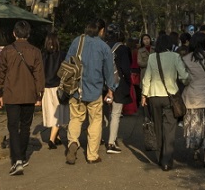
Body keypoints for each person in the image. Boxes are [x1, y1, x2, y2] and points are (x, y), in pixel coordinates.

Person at [0, 20, 44, 175]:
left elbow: (0, 73)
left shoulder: (7, 51)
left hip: (11, 94)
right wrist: (39, 94)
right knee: (26, 126)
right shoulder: (35, 51)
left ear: (14, 34)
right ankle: (22, 156)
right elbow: (39, 75)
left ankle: (17, 160)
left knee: (13, 127)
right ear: (28, 34)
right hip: (29, 94)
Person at [63, 20, 117, 165]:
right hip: (95, 91)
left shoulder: (77, 41)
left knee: (75, 118)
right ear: (101, 31)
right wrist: (111, 89)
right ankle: (92, 155)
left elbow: (67, 62)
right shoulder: (104, 47)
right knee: (95, 121)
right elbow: (109, 71)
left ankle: (73, 143)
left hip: (76, 89)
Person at [140, 32, 190, 171]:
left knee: (157, 126)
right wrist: (187, 81)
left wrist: (144, 95)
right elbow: (184, 76)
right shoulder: (175, 56)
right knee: (169, 128)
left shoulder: (152, 57)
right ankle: (167, 160)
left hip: (154, 96)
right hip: (170, 97)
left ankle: (159, 156)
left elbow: (147, 78)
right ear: (169, 45)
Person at [181, 32, 205, 168]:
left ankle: (196, 149)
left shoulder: (186, 59)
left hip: (192, 98)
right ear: (204, 43)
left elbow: (184, 79)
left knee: (194, 126)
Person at [103, 24, 133, 152]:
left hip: (102, 84)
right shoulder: (122, 49)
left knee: (103, 113)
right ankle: (111, 143)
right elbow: (126, 69)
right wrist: (128, 81)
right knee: (115, 114)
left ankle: (98, 137)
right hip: (118, 84)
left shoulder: (102, 46)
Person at [41, 32, 68, 148]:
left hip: (45, 87)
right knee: (59, 113)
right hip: (58, 87)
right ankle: (52, 140)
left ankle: (56, 137)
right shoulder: (62, 55)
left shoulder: (42, 55)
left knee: (50, 112)